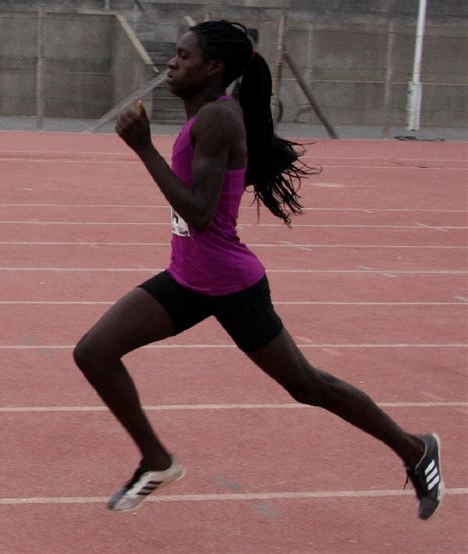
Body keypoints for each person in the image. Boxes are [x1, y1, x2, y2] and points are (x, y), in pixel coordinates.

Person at [73, 20, 444, 519]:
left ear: (214, 67)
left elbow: (201, 214)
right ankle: (157, 461)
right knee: (94, 352)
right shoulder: (205, 115)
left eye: (183, 56)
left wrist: (143, 148)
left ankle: (416, 450)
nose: (171, 62)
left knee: (308, 387)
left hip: (228, 285)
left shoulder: (219, 120)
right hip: (188, 278)